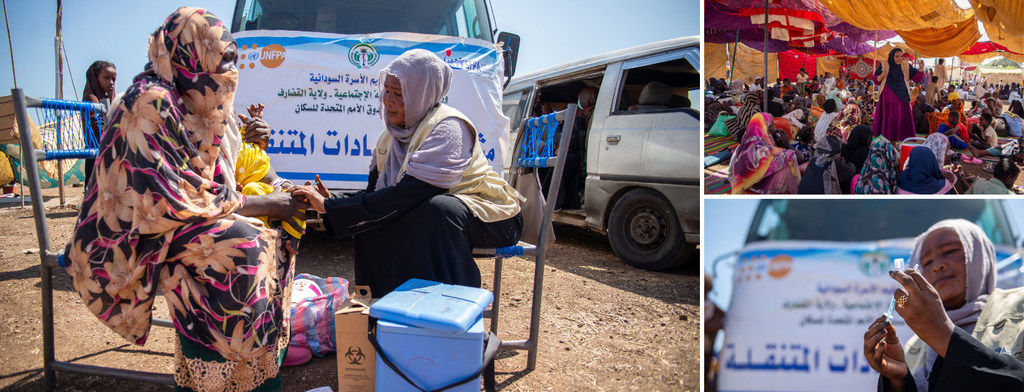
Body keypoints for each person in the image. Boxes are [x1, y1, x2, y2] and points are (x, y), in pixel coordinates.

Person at [64, 8, 309, 391]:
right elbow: (167, 197)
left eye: (230, 62)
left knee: (276, 230)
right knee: (244, 245)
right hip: (131, 232)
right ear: (192, 53)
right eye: (220, 61)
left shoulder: (189, 99)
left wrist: (277, 189)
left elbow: (214, 176)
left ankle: (261, 362)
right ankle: (217, 373)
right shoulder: (150, 103)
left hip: (177, 217)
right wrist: (263, 204)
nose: (227, 74)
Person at [294, 49, 523, 296]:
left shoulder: (448, 128)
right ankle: (381, 303)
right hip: (438, 212)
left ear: (422, 93)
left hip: (493, 216)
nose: (388, 100)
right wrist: (332, 201)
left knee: (434, 210)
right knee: (371, 220)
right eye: (387, 91)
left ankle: (451, 305)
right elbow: (377, 195)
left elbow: (408, 196)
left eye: (399, 93)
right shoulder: (389, 138)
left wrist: (334, 208)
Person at [863, 219, 1024, 392]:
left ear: (979, 256)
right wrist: (898, 381)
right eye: (926, 262)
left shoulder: (1019, 306)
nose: (937, 266)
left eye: (950, 251)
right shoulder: (914, 347)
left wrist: (945, 336)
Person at [728, 113, 801, 194]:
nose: (775, 127)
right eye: (773, 124)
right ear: (768, 127)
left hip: (742, 189)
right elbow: (798, 157)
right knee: (789, 163)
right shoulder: (767, 152)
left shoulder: (740, 149)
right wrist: (787, 145)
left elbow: (732, 175)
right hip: (762, 192)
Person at [873, 49, 925, 142]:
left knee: (899, 118)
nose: (899, 58)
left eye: (901, 56)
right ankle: (888, 140)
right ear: (892, 56)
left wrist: (921, 69)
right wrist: (882, 75)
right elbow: (875, 80)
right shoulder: (884, 65)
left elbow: (917, 78)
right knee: (889, 118)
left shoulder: (906, 66)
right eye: (897, 56)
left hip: (902, 97)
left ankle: (895, 141)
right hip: (887, 99)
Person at [81, 60, 117, 189]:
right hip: (97, 151)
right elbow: (96, 128)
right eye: (106, 78)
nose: (111, 82)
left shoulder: (107, 100)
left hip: (106, 148)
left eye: (113, 78)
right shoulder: (91, 100)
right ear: (96, 79)